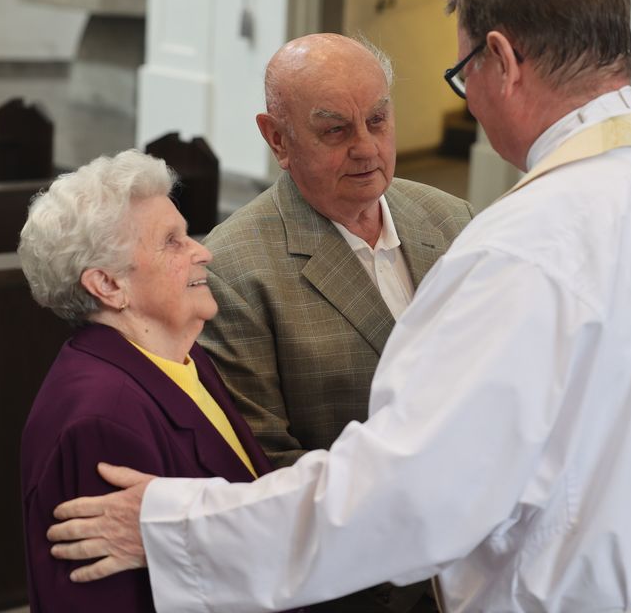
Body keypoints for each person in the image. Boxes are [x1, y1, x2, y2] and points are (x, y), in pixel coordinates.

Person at [47, 0, 631, 612]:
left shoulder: (525, 243)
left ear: (501, 60)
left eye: (463, 72)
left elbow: (413, 493)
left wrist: (176, 529)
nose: (467, 101)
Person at [198, 33, 472, 611]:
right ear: (277, 138)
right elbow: (265, 466)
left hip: (476, 562)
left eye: (378, 120)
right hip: (359, 584)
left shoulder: (452, 220)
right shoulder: (235, 270)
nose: (367, 148)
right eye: (336, 131)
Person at [19, 149, 291, 612]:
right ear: (108, 285)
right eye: (172, 242)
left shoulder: (181, 357)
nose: (202, 251)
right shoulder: (99, 422)